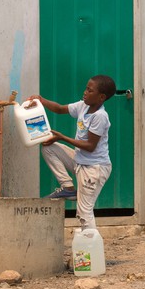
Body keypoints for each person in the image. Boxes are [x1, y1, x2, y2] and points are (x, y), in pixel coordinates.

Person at [27, 74, 116, 230]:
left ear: (101, 97)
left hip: (94, 169)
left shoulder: (100, 117)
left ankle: (90, 250)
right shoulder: (84, 106)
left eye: (89, 90)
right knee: (49, 147)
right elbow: (60, 109)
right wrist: (42, 101)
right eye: (86, 88)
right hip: (80, 161)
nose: (85, 92)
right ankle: (68, 188)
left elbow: (90, 146)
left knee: (84, 212)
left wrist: (61, 137)